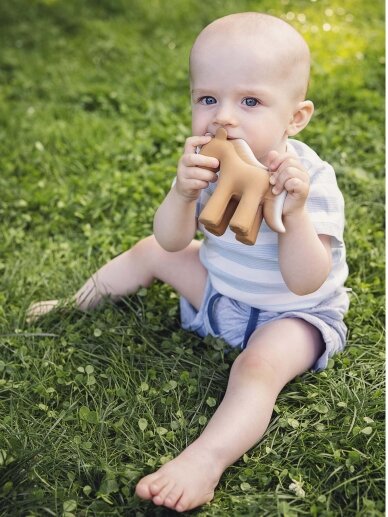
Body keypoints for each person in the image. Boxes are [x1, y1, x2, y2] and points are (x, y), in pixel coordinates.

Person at [28, 12, 349, 513]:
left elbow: (307, 281)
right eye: (207, 99)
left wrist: (297, 210)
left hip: (291, 316)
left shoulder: (311, 180)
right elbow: (172, 241)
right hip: (221, 292)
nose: (223, 116)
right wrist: (182, 194)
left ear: (296, 116)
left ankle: (205, 461)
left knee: (257, 368)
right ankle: (75, 303)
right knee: (148, 250)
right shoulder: (208, 166)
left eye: (249, 101)